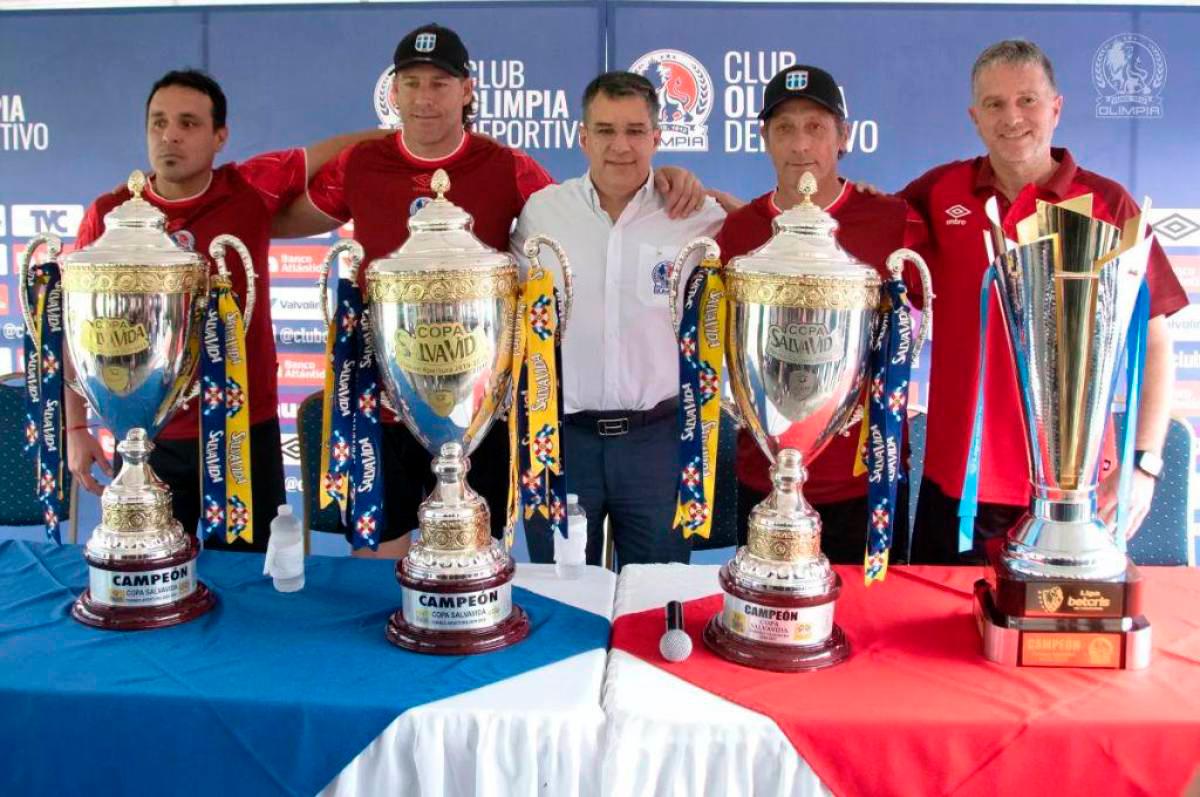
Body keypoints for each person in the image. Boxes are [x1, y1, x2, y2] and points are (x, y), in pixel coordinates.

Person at [273, 24, 707, 559]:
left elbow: (589, 224)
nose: (425, 97)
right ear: (395, 92)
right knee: (376, 576)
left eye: (439, 83)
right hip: (383, 401)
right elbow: (279, 217)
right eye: (412, 84)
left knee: (474, 563)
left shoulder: (512, 172)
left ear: (468, 89)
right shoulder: (362, 163)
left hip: (482, 412)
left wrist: (682, 183)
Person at [67, 69, 380, 552]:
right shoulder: (109, 215)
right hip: (147, 437)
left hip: (242, 431)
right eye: (158, 122)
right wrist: (75, 426)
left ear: (219, 137)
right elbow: (73, 329)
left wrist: (410, 140)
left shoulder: (250, 187)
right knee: (149, 578)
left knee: (246, 587)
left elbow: (338, 152)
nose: (169, 134)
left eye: (188, 123)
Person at [899, 39, 1187, 563]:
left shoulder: (1109, 203)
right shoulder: (940, 192)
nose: (1012, 117)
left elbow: (1156, 337)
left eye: (1027, 100)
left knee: (1064, 642)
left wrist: (1143, 463)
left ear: (1056, 107)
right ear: (975, 117)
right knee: (933, 641)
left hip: (1076, 490)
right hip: (959, 490)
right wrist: (754, 213)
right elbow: (852, 224)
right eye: (995, 104)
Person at [714, 64, 927, 564]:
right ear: (765, 138)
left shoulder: (891, 220)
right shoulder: (739, 231)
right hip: (765, 473)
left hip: (866, 478)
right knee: (773, 616)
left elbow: (921, 322)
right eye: (784, 128)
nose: (800, 145)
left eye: (816, 127)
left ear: (842, 138)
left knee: (872, 626)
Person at [512, 71, 726, 569]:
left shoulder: (697, 216)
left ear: (657, 137)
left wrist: (704, 186)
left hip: (659, 443)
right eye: (605, 130)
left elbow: (760, 227)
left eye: (635, 131)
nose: (620, 146)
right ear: (583, 137)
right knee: (563, 599)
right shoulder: (542, 213)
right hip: (559, 441)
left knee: (654, 599)